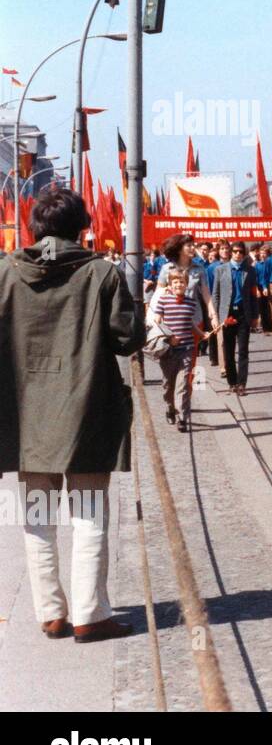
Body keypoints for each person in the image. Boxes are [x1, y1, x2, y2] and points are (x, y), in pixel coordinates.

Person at [0, 189, 146, 644]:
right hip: (86, 411)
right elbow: (127, 339)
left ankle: (51, 613)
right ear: (82, 227)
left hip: (25, 417)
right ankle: (89, 614)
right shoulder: (101, 273)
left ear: (34, 228)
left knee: (37, 518)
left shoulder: (4, 273)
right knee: (88, 515)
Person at [150, 270, 206, 431]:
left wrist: (202, 334)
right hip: (168, 350)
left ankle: (183, 418)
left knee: (183, 385)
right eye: (175, 282)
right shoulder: (163, 300)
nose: (179, 285)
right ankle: (170, 408)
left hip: (187, 349)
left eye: (182, 282)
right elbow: (157, 322)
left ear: (186, 284)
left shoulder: (190, 302)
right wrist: (168, 337)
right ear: (170, 284)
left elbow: (190, 323)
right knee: (168, 385)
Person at [211, 241, 258, 396]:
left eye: (241, 252)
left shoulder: (250, 271)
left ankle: (242, 383)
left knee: (243, 350)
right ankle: (232, 382)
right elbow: (215, 295)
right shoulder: (220, 270)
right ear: (231, 252)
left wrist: (255, 316)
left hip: (244, 314)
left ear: (244, 254)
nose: (238, 254)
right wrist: (216, 317)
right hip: (227, 314)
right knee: (228, 350)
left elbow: (253, 295)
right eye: (235, 251)